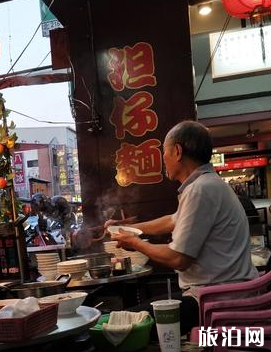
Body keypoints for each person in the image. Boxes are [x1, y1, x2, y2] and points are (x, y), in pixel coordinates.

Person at [106, 120, 258, 336]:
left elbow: (179, 258)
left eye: (164, 152)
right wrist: (127, 229)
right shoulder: (207, 184)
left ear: (177, 151)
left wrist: (135, 243)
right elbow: (172, 220)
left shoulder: (201, 190)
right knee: (133, 318)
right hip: (222, 294)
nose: (163, 160)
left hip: (216, 300)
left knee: (125, 327)